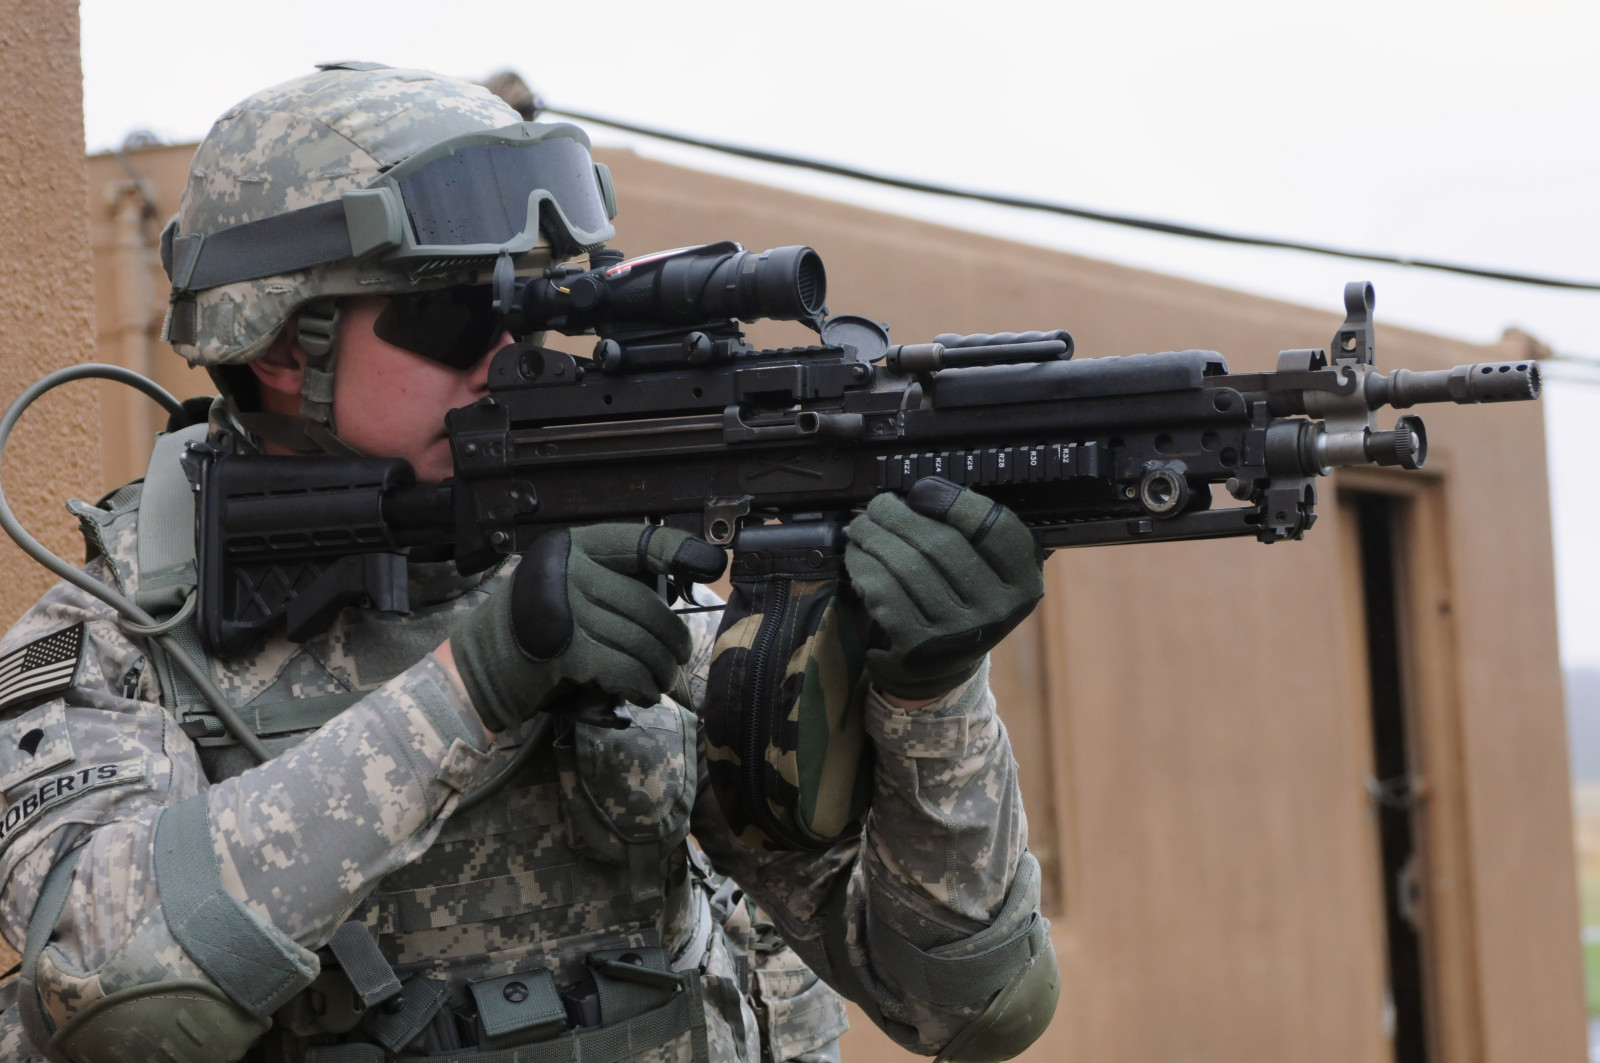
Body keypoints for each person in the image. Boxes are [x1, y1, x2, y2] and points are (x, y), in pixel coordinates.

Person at [0, 64, 1057, 1063]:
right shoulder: (111, 642)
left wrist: (932, 695)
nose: (518, 355)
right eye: (462, 314)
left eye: (548, 300)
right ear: (284, 346)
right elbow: (122, 1001)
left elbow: (969, 1002)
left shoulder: (624, 579)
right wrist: (476, 689)